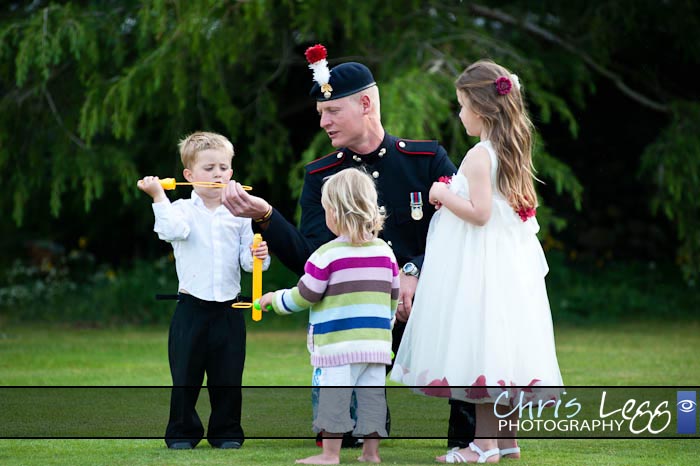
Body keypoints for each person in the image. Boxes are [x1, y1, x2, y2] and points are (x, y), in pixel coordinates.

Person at [222, 43, 476, 447]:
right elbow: (313, 258)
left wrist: (413, 270)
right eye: (320, 114)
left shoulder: (426, 159)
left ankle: (468, 439)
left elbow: (464, 231)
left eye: (332, 111)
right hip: (358, 309)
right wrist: (265, 215)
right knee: (349, 434)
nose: (323, 122)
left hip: (426, 296)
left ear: (365, 103)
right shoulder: (321, 175)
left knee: (468, 319)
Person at [390, 60, 563, 463]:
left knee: (483, 346)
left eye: (463, 105)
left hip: (483, 267)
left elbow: (481, 212)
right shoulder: (512, 151)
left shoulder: (479, 155)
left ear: (481, 109)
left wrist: (441, 193)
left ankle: (482, 446)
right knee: (503, 344)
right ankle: (506, 440)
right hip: (506, 264)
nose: (460, 113)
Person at [137, 131, 271, 450]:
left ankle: (226, 432)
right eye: (208, 168)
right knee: (186, 376)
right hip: (191, 308)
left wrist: (258, 258)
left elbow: (247, 263)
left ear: (232, 172)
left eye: (223, 168)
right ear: (189, 175)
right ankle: (183, 432)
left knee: (227, 377)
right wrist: (158, 196)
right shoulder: (180, 209)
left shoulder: (239, 215)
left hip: (229, 308)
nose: (217, 174)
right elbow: (171, 231)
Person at [259, 167, 398, 464]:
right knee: (371, 398)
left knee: (333, 399)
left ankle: (330, 454)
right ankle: (370, 453)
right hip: (376, 346)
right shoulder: (385, 253)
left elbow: (305, 294)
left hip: (338, 346)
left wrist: (275, 299)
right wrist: (384, 327)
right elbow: (393, 295)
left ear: (334, 212)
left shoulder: (326, 255)